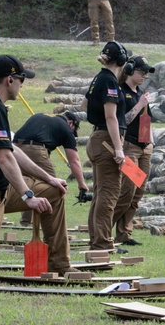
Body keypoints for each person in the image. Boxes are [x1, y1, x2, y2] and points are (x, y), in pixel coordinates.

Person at [0, 55, 75, 274]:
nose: (21, 85)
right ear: (10, 80)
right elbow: (5, 158)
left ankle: (59, 265)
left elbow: (12, 150)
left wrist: (48, 178)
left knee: (54, 191)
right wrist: (27, 196)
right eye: (22, 80)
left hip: (2, 190)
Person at [85, 41, 129, 250]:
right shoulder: (110, 81)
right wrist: (118, 148)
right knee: (110, 193)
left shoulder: (99, 78)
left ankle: (97, 239)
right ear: (121, 61)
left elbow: (84, 105)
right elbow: (111, 117)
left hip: (98, 137)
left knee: (101, 192)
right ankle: (102, 242)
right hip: (107, 139)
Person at [13, 112, 90, 225]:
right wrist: (82, 183)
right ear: (70, 123)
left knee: (28, 184)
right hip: (36, 149)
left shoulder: (41, 116)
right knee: (55, 188)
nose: (72, 132)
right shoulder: (66, 128)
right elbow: (74, 160)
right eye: (73, 129)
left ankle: (26, 222)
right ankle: (53, 227)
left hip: (15, 148)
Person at [111, 55, 154, 246]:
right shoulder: (121, 92)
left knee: (138, 192)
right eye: (141, 72)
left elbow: (147, 120)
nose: (144, 75)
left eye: (146, 72)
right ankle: (103, 229)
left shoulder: (141, 93)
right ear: (129, 71)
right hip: (129, 146)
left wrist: (151, 143)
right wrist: (140, 105)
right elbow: (123, 121)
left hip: (145, 148)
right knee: (127, 190)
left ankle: (124, 234)